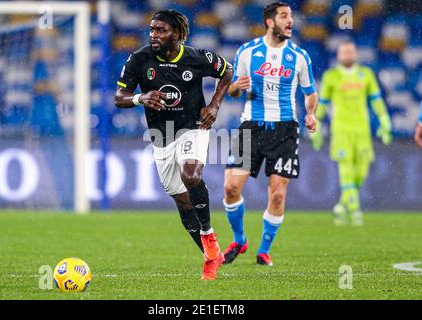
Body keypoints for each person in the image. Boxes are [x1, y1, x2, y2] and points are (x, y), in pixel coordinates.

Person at [114, 10, 233, 280]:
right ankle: (211, 255)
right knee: (181, 201)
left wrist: (214, 106)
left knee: (190, 175)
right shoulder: (139, 59)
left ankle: (209, 236)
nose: (154, 35)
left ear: (177, 34)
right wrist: (141, 98)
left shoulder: (195, 57)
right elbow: (119, 96)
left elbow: (227, 71)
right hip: (161, 136)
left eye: (161, 31)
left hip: (193, 127)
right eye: (152, 30)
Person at [222, 2, 318, 266]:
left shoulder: (299, 56)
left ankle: (264, 250)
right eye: (284, 16)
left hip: (285, 129)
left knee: (277, 194)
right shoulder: (247, 52)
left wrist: (310, 114)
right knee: (230, 188)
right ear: (269, 21)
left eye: (291, 16)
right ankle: (239, 240)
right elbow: (232, 90)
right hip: (251, 126)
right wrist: (235, 87)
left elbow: (311, 94)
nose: (291, 21)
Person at [310, 40, 392, 226]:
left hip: (362, 129)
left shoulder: (366, 74)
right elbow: (323, 103)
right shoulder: (332, 76)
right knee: (345, 167)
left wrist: (384, 119)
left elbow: (376, 99)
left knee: (361, 171)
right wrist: (317, 123)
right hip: (341, 129)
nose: (347, 55)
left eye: (350, 52)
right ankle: (355, 210)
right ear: (339, 55)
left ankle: (342, 204)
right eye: (344, 52)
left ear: (355, 54)